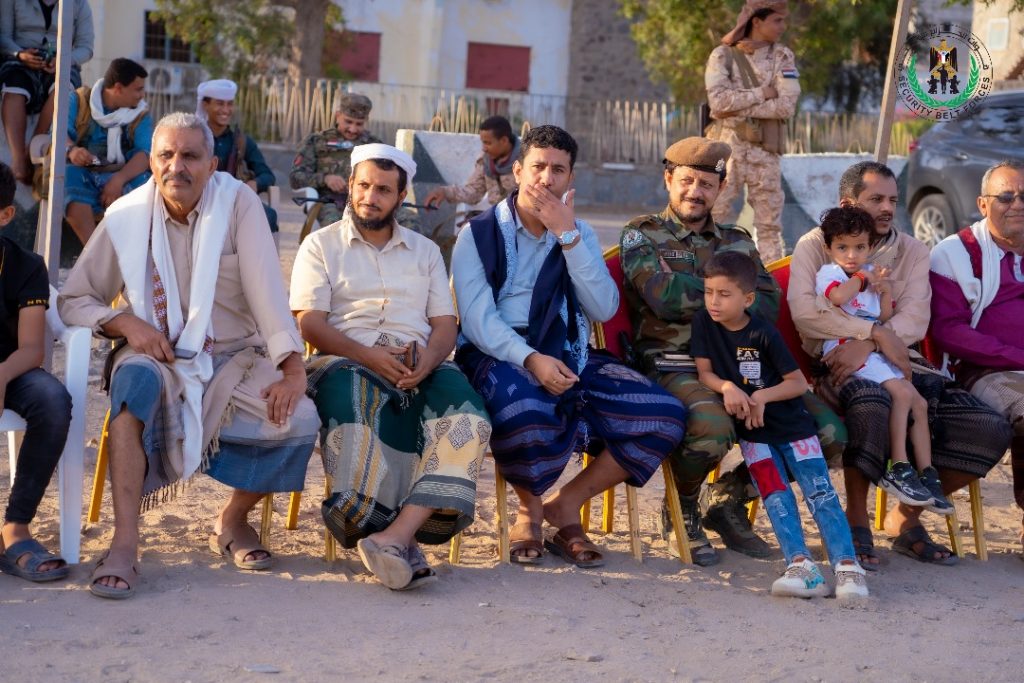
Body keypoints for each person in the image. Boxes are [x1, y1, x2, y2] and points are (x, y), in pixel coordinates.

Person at [59, 112, 320, 599]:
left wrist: (292, 369)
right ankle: (124, 542)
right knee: (131, 388)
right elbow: (74, 299)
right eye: (166, 155)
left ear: (212, 164)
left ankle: (232, 520)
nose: (176, 167)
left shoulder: (239, 204)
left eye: (190, 156)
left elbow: (268, 293)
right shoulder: (126, 217)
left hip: (234, 356)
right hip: (154, 352)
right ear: (151, 162)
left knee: (299, 416)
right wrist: (125, 323)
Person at [453, 125, 687, 567]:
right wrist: (531, 359)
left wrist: (568, 237)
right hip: (499, 352)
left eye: (558, 170)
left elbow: (602, 307)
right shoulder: (478, 234)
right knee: (524, 406)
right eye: (538, 167)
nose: (547, 178)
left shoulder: (579, 233)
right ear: (518, 171)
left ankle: (565, 504)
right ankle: (529, 512)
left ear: (570, 177)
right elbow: (478, 321)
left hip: (569, 349)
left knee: (663, 415)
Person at [620, 136, 845, 567]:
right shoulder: (642, 233)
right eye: (687, 181)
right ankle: (682, 505)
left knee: (829, 434)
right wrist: (731, 295)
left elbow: (768, 303)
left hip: (747, 364)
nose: (695, 191)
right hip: (675, 364)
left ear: (721, 188)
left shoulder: (737, 240)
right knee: (712, 426)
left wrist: (690, 288)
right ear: (668, 179)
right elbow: (660, 296)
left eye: (706, 184)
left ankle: (728, 497)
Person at [789, 160, 1011, 568]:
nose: (888, 208)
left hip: (900, 359)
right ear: (848, 203)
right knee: (871, 403)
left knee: (987, 427)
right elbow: (806, 315)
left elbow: (914, 319)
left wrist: (874, 341)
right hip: (836, 361)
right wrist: (870, 334)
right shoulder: (816, 245)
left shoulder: (912, 251)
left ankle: (905, 517)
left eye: (892, 199)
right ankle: (856, 519)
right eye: (876, 199)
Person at [290, 143, 490, 590]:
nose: (369, 197)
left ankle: (395, 536)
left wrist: (429, 361)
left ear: (401, 196)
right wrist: (369, 356)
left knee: (469, 418)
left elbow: (445, 325)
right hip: (345, 359)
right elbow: (310, 324)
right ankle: (391, 536)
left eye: (383, 189)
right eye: (363, 186)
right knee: (359, 405)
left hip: (420, 362)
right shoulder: (320, 245)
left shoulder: (425, 251)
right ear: (351, 186)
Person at [693, 251, 867, 600]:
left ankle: (848, 567)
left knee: (820, 493)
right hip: (754, 434)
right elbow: (705, 372)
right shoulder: (703, 323)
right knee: (776, 497)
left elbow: (797, 383)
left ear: (747, 299)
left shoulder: (763, 332)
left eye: (724, 294)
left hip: (794, 429)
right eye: (709, 292)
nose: (714, 301)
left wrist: (760, 397)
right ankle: (801, 566)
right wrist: (727, 388)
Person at [815, 206, 951, 513]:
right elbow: (838, 298)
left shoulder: (868, 273)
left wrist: (885, 291)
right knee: (902, 394)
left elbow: (883, 316)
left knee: (919, 402)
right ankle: (899, 466)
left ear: (870, 247)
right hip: (846, 347)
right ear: (829, 249)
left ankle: (927, 473)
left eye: (860, 247)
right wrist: (863, 278)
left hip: (873, 350)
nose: (852, 255)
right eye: (843, 247)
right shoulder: (831, 274)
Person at [930, 159, 1024, 554]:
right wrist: (1016, 355)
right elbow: (948, 331)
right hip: (981, 370)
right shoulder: (955, 253)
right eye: (1006, 196)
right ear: (983, 204)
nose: (1017, 204)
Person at [0, 161, 73, 583]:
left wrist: (0, 375)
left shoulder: (26, 265)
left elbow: (32, 349)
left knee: (53, 400)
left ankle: (16, 527)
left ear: (6, 215)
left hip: (12, 369)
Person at [705, 0, 799, 263]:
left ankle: (771, 279)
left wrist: (737, 106)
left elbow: (786, 106)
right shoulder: (722, 56)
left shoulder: (783, 57)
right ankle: (702, 275)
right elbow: (718, 103)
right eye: (777, 20)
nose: (783, 26)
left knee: (769, 228)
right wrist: (761, 93)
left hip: (765, 151)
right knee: (711, 217)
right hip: (726, 149)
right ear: (756, 21)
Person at [0, 0, 93, 184]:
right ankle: (18, 160)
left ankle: (33, 146)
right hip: (20, 59)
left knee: (63, 90)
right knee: (14, 87)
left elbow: (86, 47)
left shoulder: (79, 4)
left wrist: (64, 59)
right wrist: (20, 54)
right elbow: (3, 36)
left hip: (62, 61)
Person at [64, 57, 152, 246]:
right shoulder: (78, 101)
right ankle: (93, 250)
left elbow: (145, 154)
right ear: (118, 88)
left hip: (123, 174)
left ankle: (132, 250)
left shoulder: (140, 114)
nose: (142, 95)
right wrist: (72, 150)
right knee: (68, 175)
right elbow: (58, 133)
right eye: (138, 89)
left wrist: (118, 180)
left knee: (148, 184)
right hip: (85, 172)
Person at [195, 78, 280, 245]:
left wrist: (255, 183)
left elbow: (267, 175)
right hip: (198, 199)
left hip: (234, 199)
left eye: (229, 104)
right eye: (220, 104)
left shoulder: (241, 141)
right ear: (205, 105)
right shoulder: (194, 137)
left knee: (268, 215)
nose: (226, 110)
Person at [289, 92, 379, 228]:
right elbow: (296, 178)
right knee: (337, 227)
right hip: (329, 202)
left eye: (359, 124)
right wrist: (325, 179)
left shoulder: (375, 145)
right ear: (338, 116)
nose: (353, 129)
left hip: (368, 202)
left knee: (407, 219)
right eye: (348, 122)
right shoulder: (317, 141)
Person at [423, 115, 520, 211]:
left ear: (504, 141)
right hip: (499, 215)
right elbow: (474, 192)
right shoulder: (486, 160)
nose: (484, 148)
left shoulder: (526, 161)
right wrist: (445, 192)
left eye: (488, 143)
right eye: (483, 142)